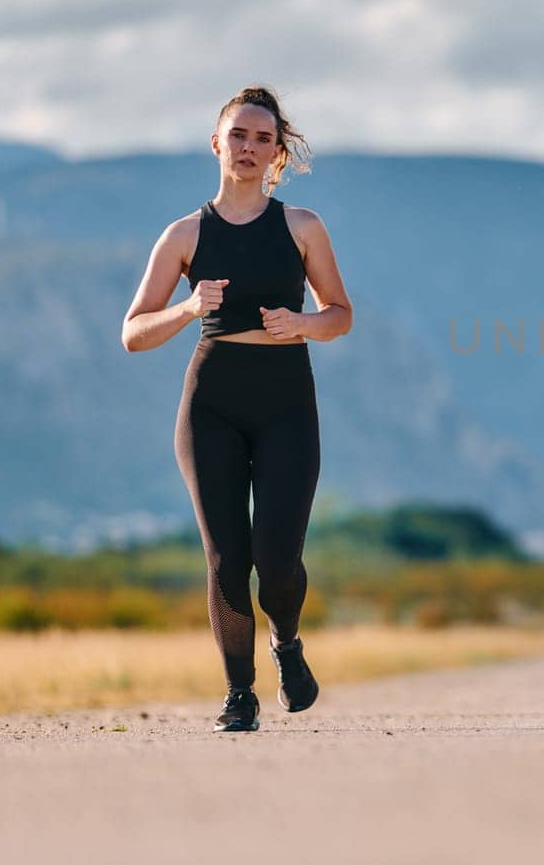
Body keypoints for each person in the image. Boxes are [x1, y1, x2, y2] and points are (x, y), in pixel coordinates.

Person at [121, 87, 353, 732]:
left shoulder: (302, 227)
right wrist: (190, 308)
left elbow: (342, 315)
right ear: (217, 143)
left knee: (278, 559)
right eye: (239, 136)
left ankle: (287, 642)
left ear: (278, 152)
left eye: (263, 139)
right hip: (211, 401)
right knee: (227, 558)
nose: (250, 148)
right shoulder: (185, 234)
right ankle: (239, 694)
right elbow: (133, 332)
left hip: (285, 400)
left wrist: (302, 323)